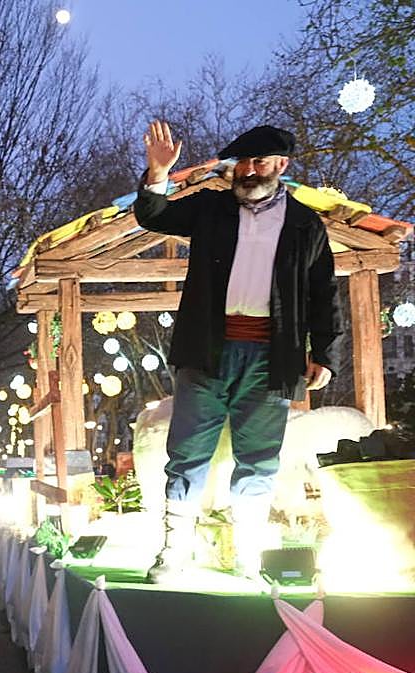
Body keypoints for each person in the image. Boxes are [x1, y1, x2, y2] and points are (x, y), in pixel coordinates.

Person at [136, 121, 340, 582]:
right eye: (242, 162)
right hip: (206, 351)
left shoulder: (305, 224)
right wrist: (158, 173)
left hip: (272, 358)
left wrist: (325, 354)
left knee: (260, 458)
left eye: (259, 162)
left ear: (281, 165)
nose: (248, 171)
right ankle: (173, 550)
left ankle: (250, 553)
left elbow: (323, 292)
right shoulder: (211, 208)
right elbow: (154, 216)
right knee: (187, 451)